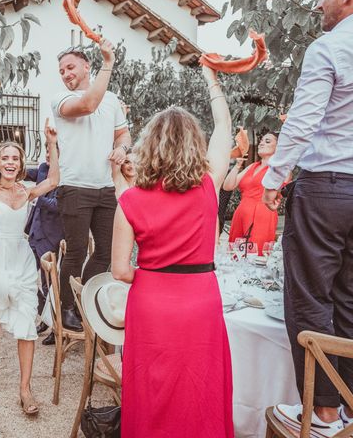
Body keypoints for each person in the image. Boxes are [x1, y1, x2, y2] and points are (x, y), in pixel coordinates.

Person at [262, 0, 353, 435]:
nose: (320, 1)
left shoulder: (332, 46)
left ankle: (323, 412)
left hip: (327, 185)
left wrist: (274, 176)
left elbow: (304, 122)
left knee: (308, 296)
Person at [111, 66, 234, 437]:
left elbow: (119, 269)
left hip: (151, 304)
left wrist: (152, 277)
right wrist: (213, 81)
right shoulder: (209, 186)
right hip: (201, 302)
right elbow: (224, 129)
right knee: (201, 390)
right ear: (195, 145)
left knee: (150, 391)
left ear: (149, 147)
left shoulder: (130, 200)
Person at [0, 121, 59, 416]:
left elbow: (54, 180)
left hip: (21, 261)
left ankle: (25, 389)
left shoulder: (24, 191)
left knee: (25, 323)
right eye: (5, 158)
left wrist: (52, 143)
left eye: (15, 158)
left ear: (21, 164)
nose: (10, 162)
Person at [51, 39, 131, 332]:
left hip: (105, 188)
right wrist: (108, 63)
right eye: (61, 70)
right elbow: (88, 103)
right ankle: (66, 308)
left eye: (70, 67)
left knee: (107, 252)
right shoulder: (60, 99)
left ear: (87, 66)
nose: (65, 74)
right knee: (76, 250)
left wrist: (122, 150)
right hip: (74, 187)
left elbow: (123, 135)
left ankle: (85, 296)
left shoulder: (112, 100)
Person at [25, 142, 64, 346]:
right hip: (34, 234)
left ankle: (56, 327)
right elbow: (22, 173)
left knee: (50, 285)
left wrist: (35, 196)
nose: (48, 155)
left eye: (53, 152)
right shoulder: (41, 169)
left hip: (51, 238)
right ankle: (44, 318)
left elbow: (59, 206)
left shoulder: (66, 175)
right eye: (48, 151)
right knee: (31, 281)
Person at [223, 133, 284, 254]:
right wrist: (237, 165)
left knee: (256, 253)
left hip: (262, 213)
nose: (261, 143)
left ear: (278, 147)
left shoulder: (279, 168)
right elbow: (228, 186)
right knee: (235, 254)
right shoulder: (252, 166)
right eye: (261, 141)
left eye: (267, 141)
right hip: (241, 213)